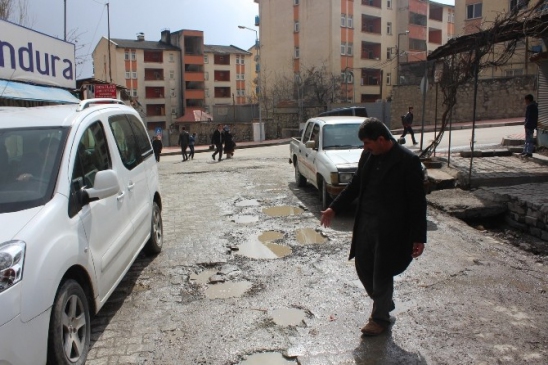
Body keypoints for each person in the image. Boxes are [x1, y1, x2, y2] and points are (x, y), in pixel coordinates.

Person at [320, 118, 426, 336]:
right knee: (363, 267)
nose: (364, 148)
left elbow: (417, 203)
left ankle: (379, 319)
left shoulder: (407, 161)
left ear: (381, 139)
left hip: (392, 229)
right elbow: (355, 185)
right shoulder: (367, 156)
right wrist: (334, 208)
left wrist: (418, 237)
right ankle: (384, 302)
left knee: (382, 272)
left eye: (368, 143)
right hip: (366, 223)